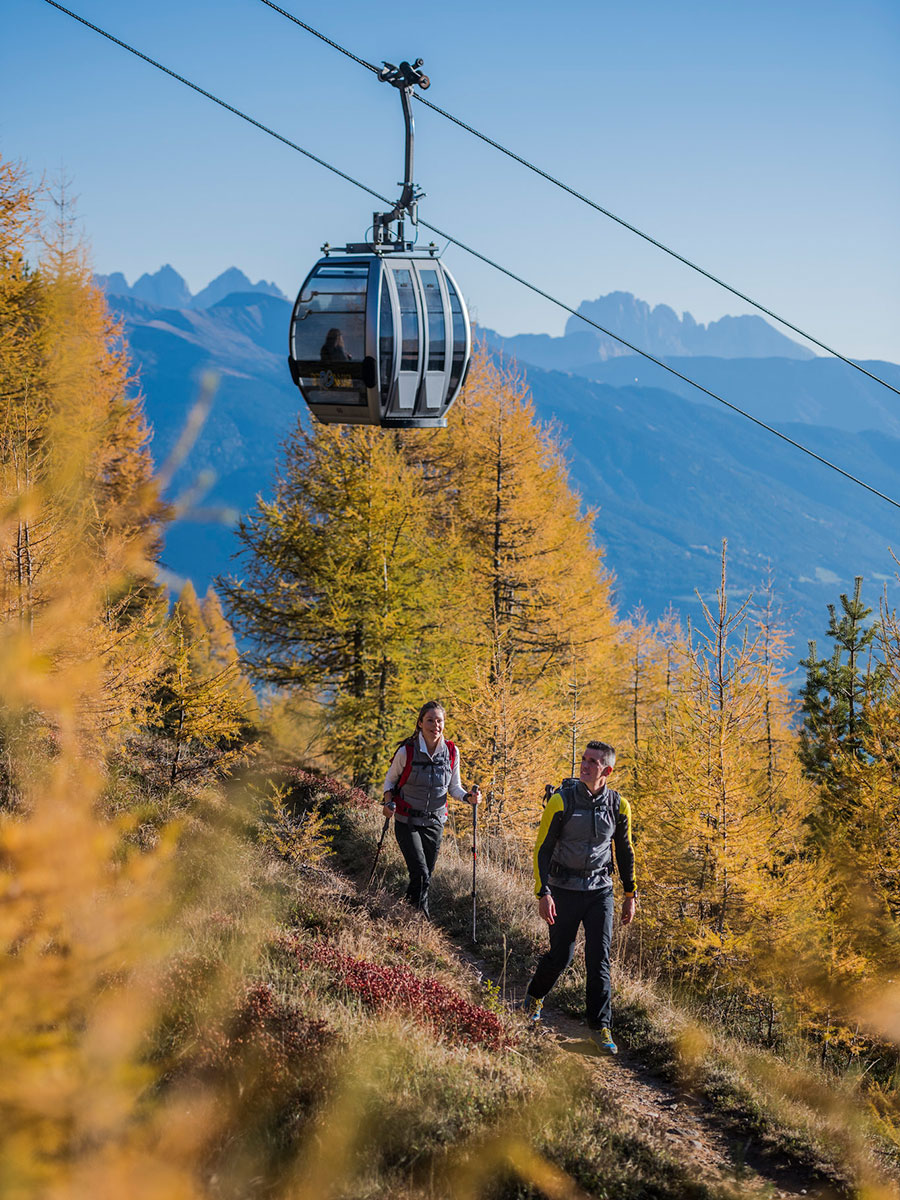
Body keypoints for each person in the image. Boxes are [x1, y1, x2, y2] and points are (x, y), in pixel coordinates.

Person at [522, 740, 636, 1055]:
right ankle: (534, 997)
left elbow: (625, 851)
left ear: (607, 770)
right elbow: (542, 849)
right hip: (563, 889)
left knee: (598, 959)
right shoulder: (560, 802)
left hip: (600, 891)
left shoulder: (619, 805)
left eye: (593, 762)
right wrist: (543, 892)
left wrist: (630, 893)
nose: (584, 765)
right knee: (562, 956)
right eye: (583, 759)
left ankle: (600, 1029)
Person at [382, 700, 480, 919]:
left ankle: (404, 912)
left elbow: (454, 787)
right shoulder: (407, 750)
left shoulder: (452, 751)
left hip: (435, 822)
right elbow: (390, 782)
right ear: (420, 723)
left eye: (439, 721)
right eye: (430, 720)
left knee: (425, 876)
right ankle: (421, 920)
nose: (435, 725)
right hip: (407, 821)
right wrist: (388, 803)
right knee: (421, 874)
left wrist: (468, 797)